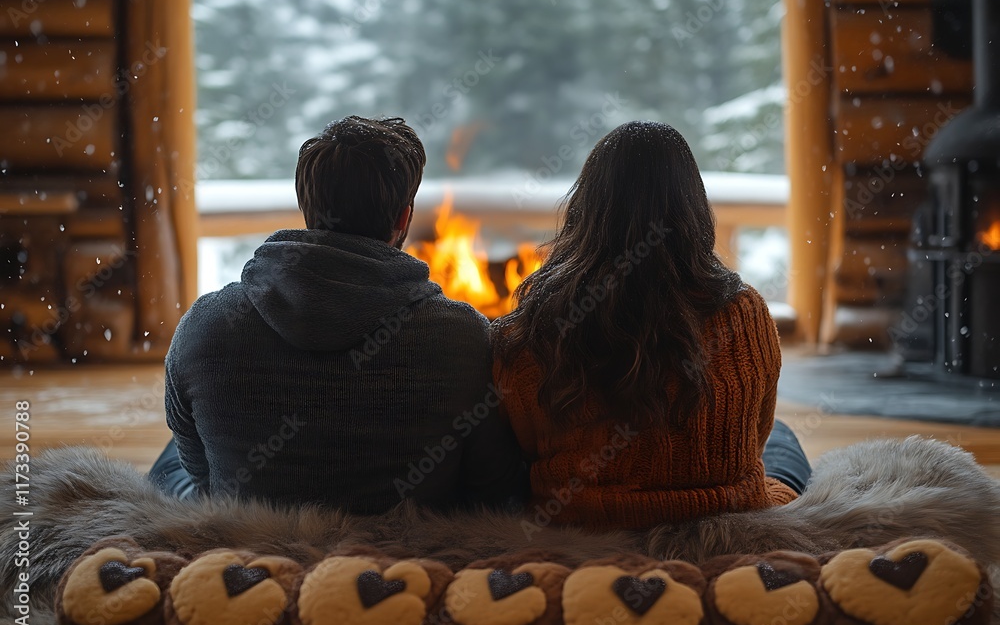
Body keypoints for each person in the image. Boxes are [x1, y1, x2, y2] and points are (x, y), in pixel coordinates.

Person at [149, 115, 527, 514]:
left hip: (250, 547)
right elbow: (492, 490)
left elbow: (203, 479)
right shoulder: (464, 338)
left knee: (172, 453)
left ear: (306, 206)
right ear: (403, 219)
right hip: (403, 561)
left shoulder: (205, 326)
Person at [492, 120, 810, 531]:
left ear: (586, 208)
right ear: (694, 208)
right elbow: (757, 434)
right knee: (783, 439)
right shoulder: (745, 312)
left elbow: (525, 444)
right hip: (724, 520)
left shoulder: (536, 324)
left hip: (578, 521)